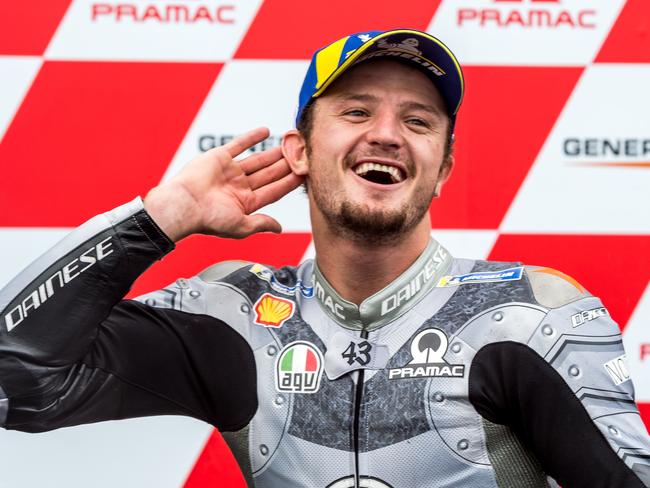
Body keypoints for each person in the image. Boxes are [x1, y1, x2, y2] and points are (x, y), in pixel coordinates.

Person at [0, 28, 648, 488]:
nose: (388, 134)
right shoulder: (237, 315)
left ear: (444, 168)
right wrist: (156, 221)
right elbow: (16, 381)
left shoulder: (528, 315)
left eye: (419, 122)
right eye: (356, 110)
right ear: (300, 151)